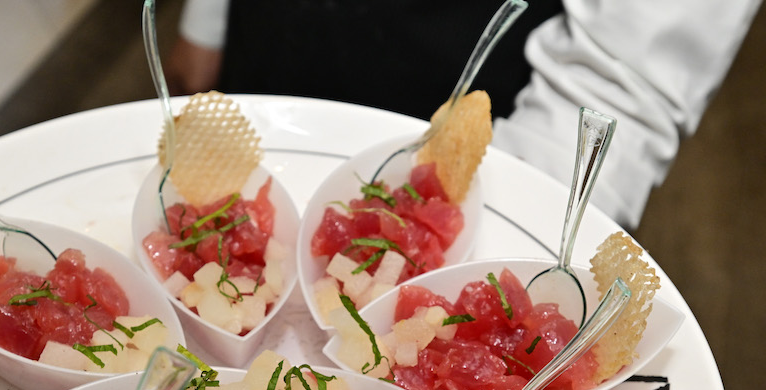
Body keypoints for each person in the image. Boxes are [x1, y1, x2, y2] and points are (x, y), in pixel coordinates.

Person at [165, 0, 762, 229]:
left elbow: (620, 76)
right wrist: (208, 18)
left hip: (460, 96)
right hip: (266, 55)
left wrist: (496, 236)